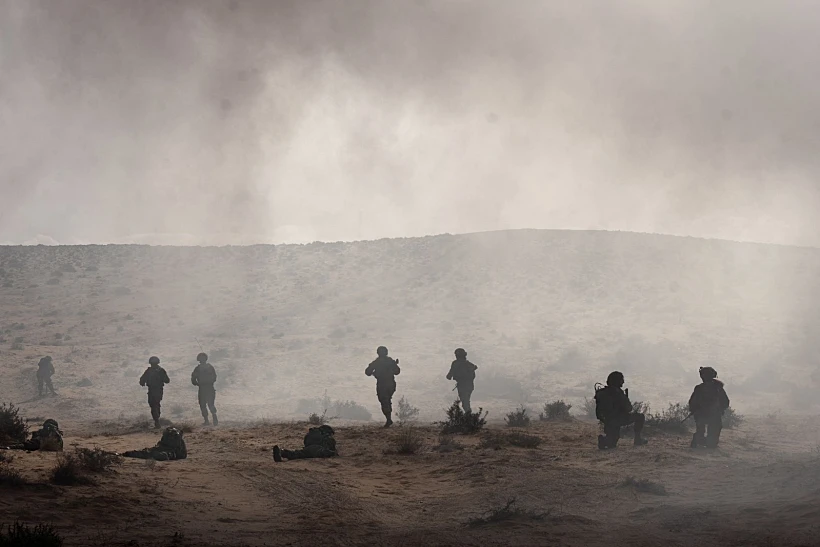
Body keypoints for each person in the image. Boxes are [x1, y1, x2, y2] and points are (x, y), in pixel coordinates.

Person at [594, 371, 648, 449]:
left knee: (612, 443)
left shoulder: (603, 392)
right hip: (618, 419)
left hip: (607, 421)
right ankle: (638, 439)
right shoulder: (617, 392)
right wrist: (626, 398)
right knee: (640, 417)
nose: (623, 382)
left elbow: (599, 411)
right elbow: (628, 408)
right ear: (617, 381)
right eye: (621, 380)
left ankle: (604, 440)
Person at [688, 366, 730, 449]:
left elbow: (692, 402)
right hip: (709, 414)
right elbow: (725, 402)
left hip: (706, 414)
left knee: (704, 431)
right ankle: (705, 443)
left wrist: (694, 410)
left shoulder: (700, 388)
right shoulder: (717, 387)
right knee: (710, 432)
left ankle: (702, 443)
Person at [365, 346, 401, 427]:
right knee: (387, 400)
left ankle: (388, 419)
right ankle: (389, 418)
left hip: (382, 384)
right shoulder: (390, 361)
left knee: (384, 401)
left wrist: (374, 371)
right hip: (391, 383)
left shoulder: (376, 362)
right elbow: (397, 372)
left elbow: (367, 372)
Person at [272, 425, 337, 462]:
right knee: (328, 452)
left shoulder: (311, 433)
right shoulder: (326, 436)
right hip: (318, 449)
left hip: (308, 449)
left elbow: (305, 442)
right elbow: (331, 446)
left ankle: (282, 452)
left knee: (296, 454)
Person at [122, 427, 187, 461]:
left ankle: (127, 454)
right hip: (165, 449)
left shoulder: (178, 444)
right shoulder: (178, 441)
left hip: (168, 451)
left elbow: (182, 454)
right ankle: (127, 454)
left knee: (157, 455)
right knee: (147, 453)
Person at [140, 356, 170, 429]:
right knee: (155, 404)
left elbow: (142, 380)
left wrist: (143, 382)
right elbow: (167, 380)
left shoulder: (151, 371)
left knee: (154, 405)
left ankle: (156, 420)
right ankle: (157, 419)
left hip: (154, 390)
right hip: (156, 390)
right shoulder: (160, 370)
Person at [446, 348, 478, 413]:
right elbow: (475, 367)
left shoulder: (455, 363)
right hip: (470, 385)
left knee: (465, 403)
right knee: (466, 402)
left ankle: (469, 418)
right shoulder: (468, 363)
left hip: (462, 385)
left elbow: (449, 376)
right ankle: (469, 418)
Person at [191, 352, 218, 426]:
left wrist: (197, 383)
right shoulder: (210, 367)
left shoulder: (197, 368)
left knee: (203, 404)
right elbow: (214, 377)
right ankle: (214, 418)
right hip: (209, 388)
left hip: (203, 388)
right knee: (210, 404)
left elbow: (193, 379)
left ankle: (207, 420)